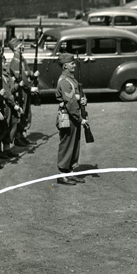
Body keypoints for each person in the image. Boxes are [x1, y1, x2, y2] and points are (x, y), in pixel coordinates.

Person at [55, 53, 88, 186]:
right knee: (67, 144)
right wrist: (80, 119)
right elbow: (70, 103)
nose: (74, 65)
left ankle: (70, 172)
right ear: (65, 66)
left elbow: (76, 96)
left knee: (75, 143)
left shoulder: (71, 79)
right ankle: (63, 175)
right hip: (68, 117)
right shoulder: (64, 81)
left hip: (73, 116)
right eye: (72, 63)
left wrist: (83, 99)